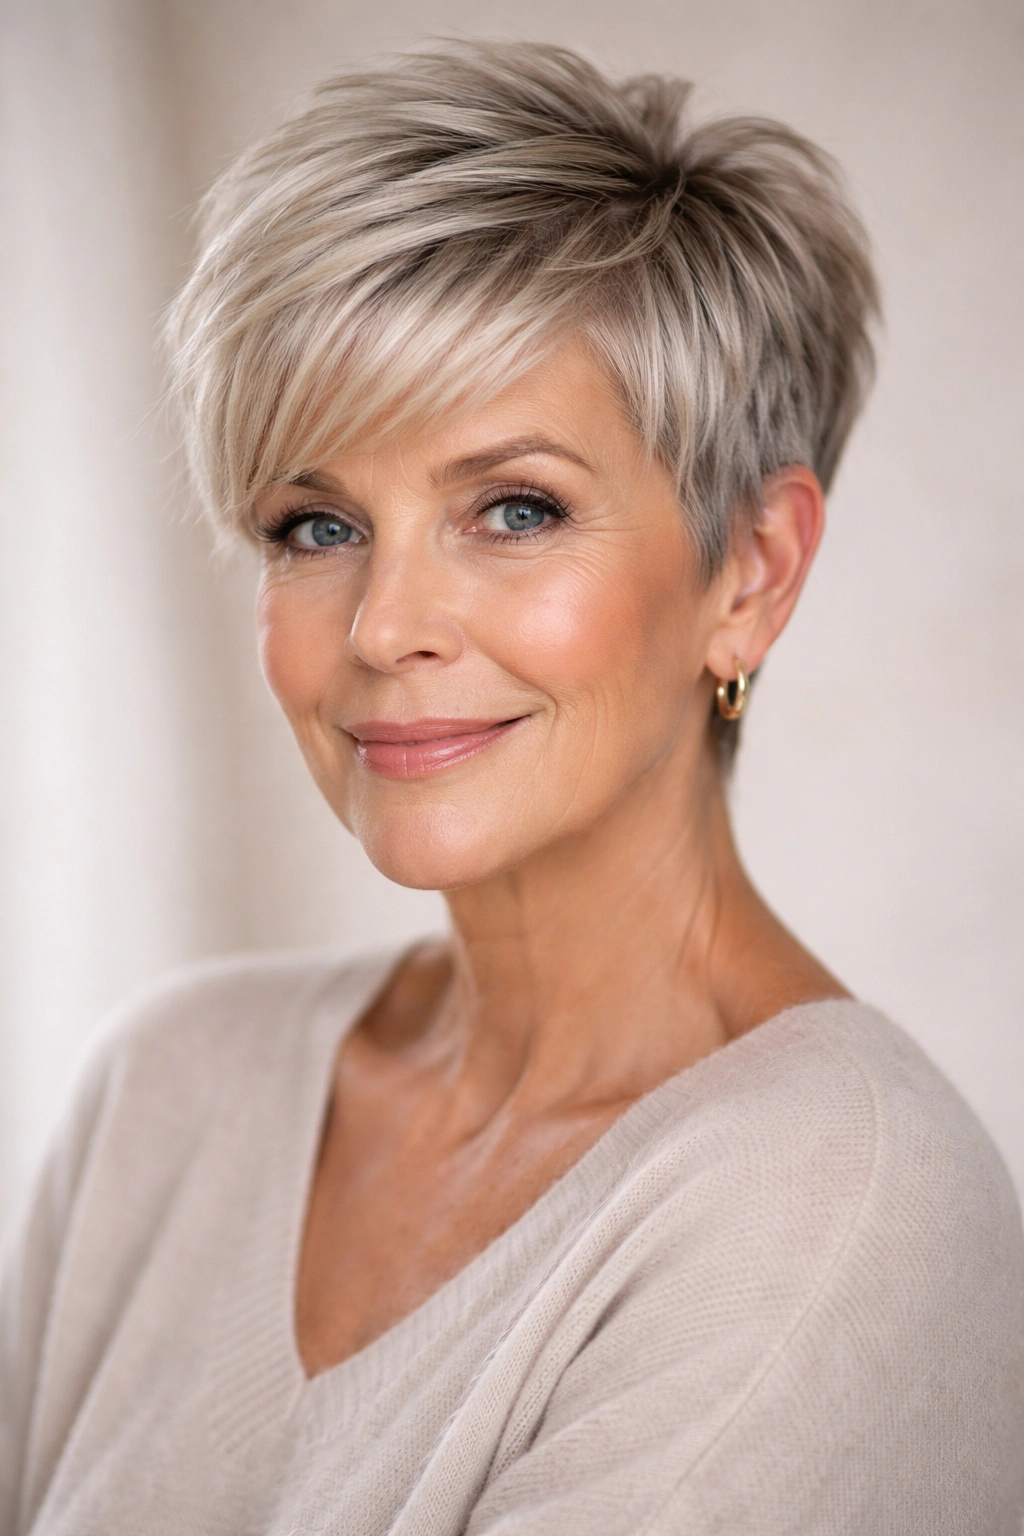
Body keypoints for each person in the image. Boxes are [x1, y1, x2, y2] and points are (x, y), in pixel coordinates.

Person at [2, 39, 1022, 1536]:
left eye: (515, 508)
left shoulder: (838, 1210)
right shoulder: (166, 1087)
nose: (383, 625)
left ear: (751, 572)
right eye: (314, 523)